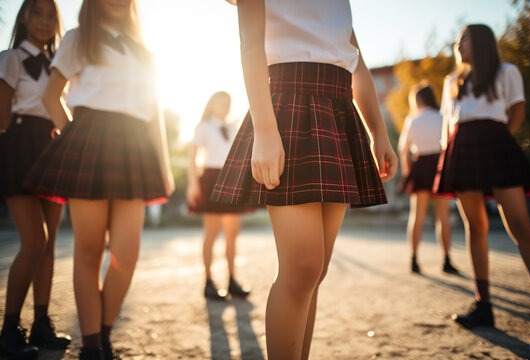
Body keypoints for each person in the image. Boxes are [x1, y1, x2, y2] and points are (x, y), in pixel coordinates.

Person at [211, 0, 398, 358]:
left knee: (316, 271)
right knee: (303, 266)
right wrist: (265, 130)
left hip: (338, 114)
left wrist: (379, 134)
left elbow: (356, 65)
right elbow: (250, 47)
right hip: (288, 111)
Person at [24, 0, 175, 358]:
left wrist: (165, 167)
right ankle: (92, 345)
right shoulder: (79, 38)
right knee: (89, 250)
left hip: (134, 145)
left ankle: (104, 332)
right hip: (90, 137)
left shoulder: (144, 51)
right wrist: (75, 141)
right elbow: (50, 96)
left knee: (127, 253)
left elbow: (154, 115)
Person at [434, 24, 530, 335]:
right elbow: (447, 125)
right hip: (464, 148)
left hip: (496, 145)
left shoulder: (507, 72)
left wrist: (498, 142)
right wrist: (445, 159)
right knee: (475, 226)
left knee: (520, 224)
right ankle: (484, 305)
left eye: (463, 38)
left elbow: (516, 112)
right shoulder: (452, 81)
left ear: (479, 41)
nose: (457, 43)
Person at [0, 0, 71, 358]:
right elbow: (0, 118)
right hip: (18, 146)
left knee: (49, 242)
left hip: (51, 145)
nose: (43, 21)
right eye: (36, 12)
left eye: (50, 14)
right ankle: (9, 328)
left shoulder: (61, 63)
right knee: (34, 240)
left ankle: (42, 324)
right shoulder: (9, 59)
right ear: (23, 16)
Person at [187, 91, 251, 301]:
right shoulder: (203, 127)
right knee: (212, 233)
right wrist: (193, 184)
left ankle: (232, 280)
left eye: (227, 103)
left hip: (232, 178)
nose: (224, 107)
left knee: (233, 233)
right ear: (212, 104)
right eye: (220, 103)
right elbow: (192, 158)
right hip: (211, 179)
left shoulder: (235, 125)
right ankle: (208, 282)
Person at [398, 85, 459, 274]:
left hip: (420, 167)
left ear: (417, 101)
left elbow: (403, 149)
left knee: (417, 216)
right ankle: (446, 260)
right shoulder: (442, 117)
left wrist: (408, 173)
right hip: (440, 167)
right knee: (443, 217)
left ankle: (414, 260)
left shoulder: (412, 120)